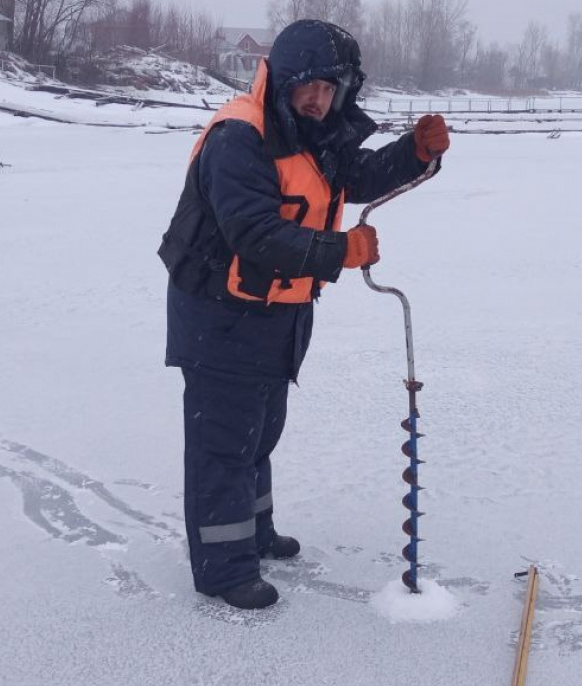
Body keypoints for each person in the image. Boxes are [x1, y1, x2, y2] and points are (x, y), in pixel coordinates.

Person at [157, 19, 450, 610]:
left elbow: (356, 177)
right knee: (224, 446)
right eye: (308, 86)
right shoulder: (239, 137)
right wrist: (341, 251)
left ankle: (253, 534)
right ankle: (222, 567)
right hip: (221, 315)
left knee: (258, 435)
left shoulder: (312, 132)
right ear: (283, 79)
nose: (319, 99)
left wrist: (414, 154)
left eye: (331, 88)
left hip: (279, 314)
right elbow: (254, 232)